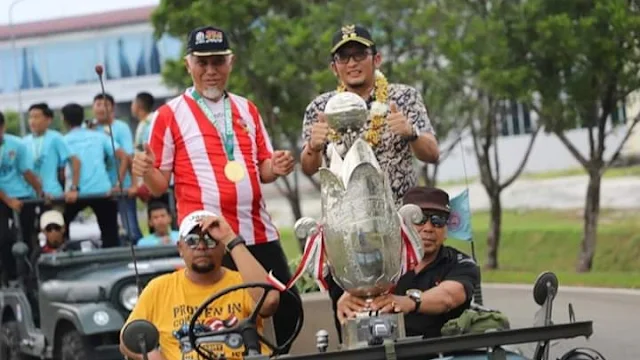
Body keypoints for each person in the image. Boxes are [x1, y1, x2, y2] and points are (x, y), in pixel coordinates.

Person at [132, 25, 298, 352]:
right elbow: (158, 185)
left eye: (218, 61)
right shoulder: (168, 115)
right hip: (208, 242)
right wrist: (146, 170)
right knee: (221, 327)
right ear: (188, 64)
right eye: (202, 62)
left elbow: (262, 168)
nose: (211, 71)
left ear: (230, 62)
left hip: (258, 235)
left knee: (287, 313)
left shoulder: (247, 108)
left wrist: (276, 167)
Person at [300, 24, 440, 207]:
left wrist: (411, 133)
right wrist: (313, 146)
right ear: (334, 67)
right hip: (346, 219)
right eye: (343, 57)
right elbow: (308, 168)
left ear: (377, 59)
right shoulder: (321, 108)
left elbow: (432, 154)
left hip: (399, 216)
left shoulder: (404, 97)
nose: (352, 63)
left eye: (359, 54)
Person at [119, 210, 280, 360]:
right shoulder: (159, 288)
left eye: (210, 240)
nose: (201, 247)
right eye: (192, 240)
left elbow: (269, 301)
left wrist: (231, 238)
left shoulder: (245, 283)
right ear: (180, 248)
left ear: (223, 247)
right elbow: (127, 339)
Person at [335, 187, 480, 340]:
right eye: (418, 219)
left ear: (446, 229)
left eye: (438, 220)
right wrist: (350, 299)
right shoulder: (381, 262)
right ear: (401, 224)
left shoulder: (461, 263)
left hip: (444, 352)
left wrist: (409, 302)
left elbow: (448, 297)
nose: (428, 228)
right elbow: (358, 289)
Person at [61, 103, 126, 248]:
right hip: (103, 190)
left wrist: (72, 187)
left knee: (60, 227)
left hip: (76, 193)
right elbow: (124, 157)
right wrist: (118, 184)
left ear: (64, 120)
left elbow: (66, 166)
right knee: (110, 236)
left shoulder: (63, 140)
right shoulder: (99, 137)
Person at [89, 93, 143, 243]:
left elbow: (129, 156)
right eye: (98, 104)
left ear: (112, 108)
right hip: (102, 189)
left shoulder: (121, 127)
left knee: (131, 228)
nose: (101, 108)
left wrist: (132, 184)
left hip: (122, 187)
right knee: (108, 231)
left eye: (105, 105)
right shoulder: (90, 129)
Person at [0, 110, 43, 283]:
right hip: (3, 199)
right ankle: (8, 275)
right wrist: (9, 201)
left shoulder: (17, 145)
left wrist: (40, 191)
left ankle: (31, 274)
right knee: (3, 237)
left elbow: (26, 171)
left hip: (22, 196)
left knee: (28, 236)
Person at [23, 103, 80, 210]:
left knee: (54, 225)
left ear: (48, 120)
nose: (32, 121)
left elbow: (75, 161)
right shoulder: (24, 142)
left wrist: (74, 188)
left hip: (53, 194)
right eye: (30, 117)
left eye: (36, 117)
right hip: (29, 195)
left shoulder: (55, 138)